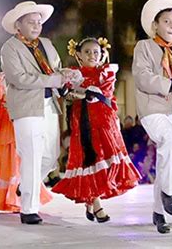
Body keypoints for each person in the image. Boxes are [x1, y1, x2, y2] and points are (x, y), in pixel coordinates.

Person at [0, 1, 83, 224]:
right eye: (31, 22)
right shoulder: (10, 48)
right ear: (18, 25)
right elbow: (19, 78)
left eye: (39, 22)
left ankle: (25, 185)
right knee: (33, 154)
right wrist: (53, 79)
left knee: (51, 155)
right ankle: (29, 209)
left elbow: (55, 70)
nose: (37, 26)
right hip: (26, 107)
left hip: (49, 105)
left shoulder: (45, 44)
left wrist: (67, 75)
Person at [52, 37, 141, 222]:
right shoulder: (72, 74)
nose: (92, 55)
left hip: (104, 123)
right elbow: (66, 93)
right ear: (78, 55)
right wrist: (70, 91)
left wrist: (78, 93)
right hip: (83, 123)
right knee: (91, 159)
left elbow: (102, 93)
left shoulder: (106, 72)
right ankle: (97, 204)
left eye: (96, 52)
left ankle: (91, 202)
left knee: (103, 160)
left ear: (102, 54)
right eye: (87, 52)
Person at [132, 0, 172, 234]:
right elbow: (142, 77)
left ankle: (159, 212)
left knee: (167, 156)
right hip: (151, 108)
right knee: (171, 141)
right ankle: (170, 193)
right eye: (167, 21)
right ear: (156, 24)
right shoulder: (144, 47)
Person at [0, 73, 53, 213]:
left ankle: (19, 197)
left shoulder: (29, 76)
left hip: (25, 117)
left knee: (23, 157)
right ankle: (11, 198)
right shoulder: (0, 79)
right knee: (8, 156)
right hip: (7, 121)